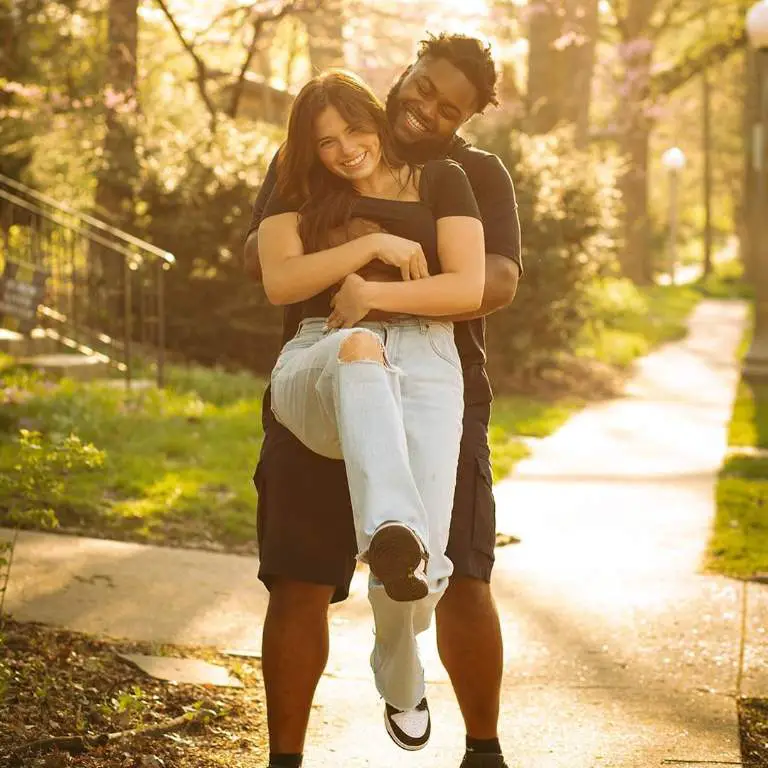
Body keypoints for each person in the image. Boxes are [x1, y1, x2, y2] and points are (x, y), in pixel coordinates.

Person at [245, 34, 522, 768]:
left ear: (470, 117)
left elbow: (491, 283)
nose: (424, 107)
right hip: (325, 362)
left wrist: (384, 285)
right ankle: (285, 758)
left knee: (457, 573)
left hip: (440, 376)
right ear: (404, 72)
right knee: (299, 575)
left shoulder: (471, 175)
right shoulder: (320, 150)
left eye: (447, 106)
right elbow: (267, 260)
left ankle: (483, 750)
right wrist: (355, 245)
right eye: (421, 85)